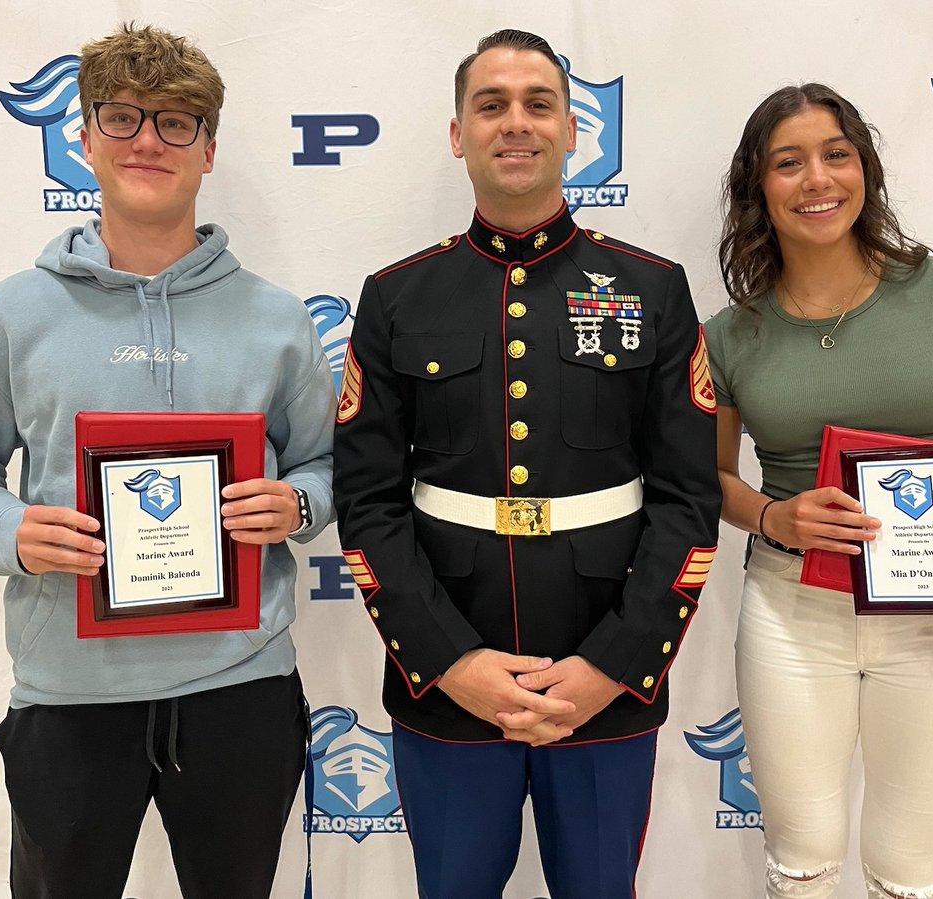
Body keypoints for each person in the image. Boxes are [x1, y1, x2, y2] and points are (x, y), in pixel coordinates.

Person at [0, 23, 335, 899]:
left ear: (209, 150)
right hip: (67, 693)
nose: (148, 139)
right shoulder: (13, 314)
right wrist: (14, 530)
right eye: (123, 116)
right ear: (84, 138)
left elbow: (331, 467)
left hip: (241, 685)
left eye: (176, 122)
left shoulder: (275, 319)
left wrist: (295, 507)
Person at [333, 28, 720, 899]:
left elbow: (688, 505)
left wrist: (615, 663)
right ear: (458, 133)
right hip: (447, 681)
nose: (516, 123)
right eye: (491, 104)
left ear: (573, 129)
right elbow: (367, 505)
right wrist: (448, 661)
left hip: (606, 680)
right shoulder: (398, 295)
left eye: (538, 104)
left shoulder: (648, 288)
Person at [704, 83, 933, 899]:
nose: (817, 179)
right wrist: (774, 515)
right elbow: (711, 479)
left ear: (865, 167)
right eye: (788, 163)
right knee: (803, 866)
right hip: (793, 614)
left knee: (908, 874)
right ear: (757, 188)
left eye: (836, 154)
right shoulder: (730, 335)